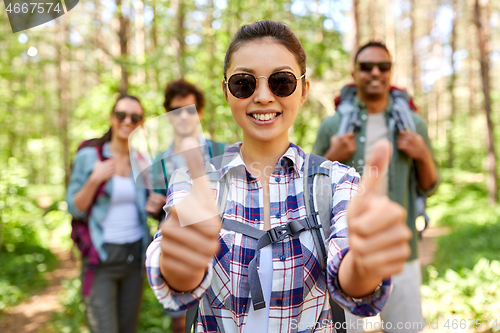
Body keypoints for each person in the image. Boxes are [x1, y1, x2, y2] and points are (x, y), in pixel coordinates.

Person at [146, 21, 412, 332]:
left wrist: (366, 263)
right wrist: (181, 261)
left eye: (281, 82)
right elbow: (178, 280)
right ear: (226, 92)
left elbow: (352, 281)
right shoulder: (195, 183)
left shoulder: (337, 183)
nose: (262, 96)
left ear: (303, 91)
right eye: (244, 83)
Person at [312, 41, 439, 333]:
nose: (375, 72)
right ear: (354, 73)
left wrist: (422, 154)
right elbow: (310, 189)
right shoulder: (333, 127)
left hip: (401, 251)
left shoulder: (412, 125)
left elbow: (430, 186)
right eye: (366, 66)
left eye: (383, 66)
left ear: (391, 72)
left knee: (405, 329)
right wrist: (331, 156)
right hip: (347, 254)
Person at [66, 95, 165, 333]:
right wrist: (95, 179)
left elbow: (150, 208)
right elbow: (74, 207)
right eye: (121, 115)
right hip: (101, 258)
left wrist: (155, 205)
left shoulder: (142, 161)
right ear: (111, 118)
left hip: (135, 257)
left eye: (135, 117)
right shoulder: (90, 157)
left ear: (141, 123)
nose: (127, 121)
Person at [148, 80, 228, 332]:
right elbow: (155, 207)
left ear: (200, 112)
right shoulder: (159, 160)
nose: (183, 115)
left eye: (189, 109)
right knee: (180, 319)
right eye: (176, 110)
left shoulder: (222, 151)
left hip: (223, 250)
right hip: (179, 252)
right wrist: (153, 207)